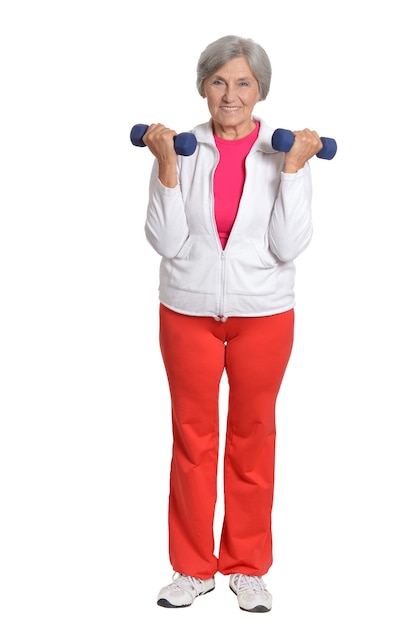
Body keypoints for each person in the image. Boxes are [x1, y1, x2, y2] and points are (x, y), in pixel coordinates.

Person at [141, 34, 322, 613]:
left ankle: (246, 567)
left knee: (253, 438)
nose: (231, 94)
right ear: (203, 86)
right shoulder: (184, 148)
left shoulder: (283, 152)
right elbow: (165, 241)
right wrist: (167, 165)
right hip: (186, 310)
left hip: (263, 313)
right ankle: (192, 569)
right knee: (192, 441)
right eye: (219, 81)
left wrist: (294, 170)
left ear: (260, 89)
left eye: (243, 82)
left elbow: (289, 245)